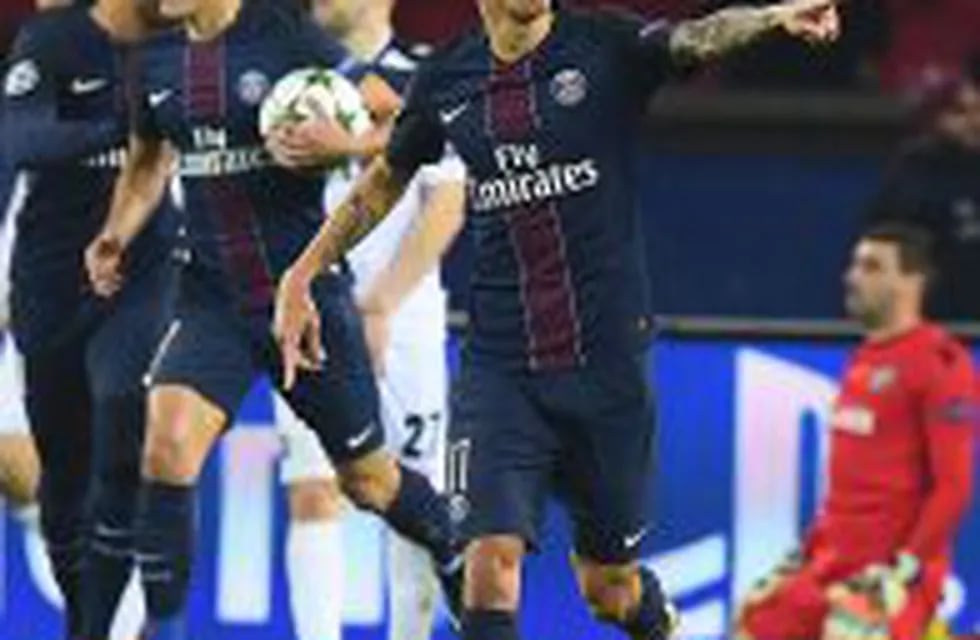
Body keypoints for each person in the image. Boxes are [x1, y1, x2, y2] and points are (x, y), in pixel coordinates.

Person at [273, 0, 842, 638]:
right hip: (500, 367)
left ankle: (663, 624)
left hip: (606, 366)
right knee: (489, 564)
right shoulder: (449, 77)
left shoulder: (603, 46)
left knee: (609, 589)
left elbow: (695, 39)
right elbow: (386, 177)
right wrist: (304, 270)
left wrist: (771, 18)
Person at [83, 0, 464, 637]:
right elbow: (149, 158)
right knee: (168, 444)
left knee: (368, 482)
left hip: (302, 301)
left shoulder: (285, 38)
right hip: (210, 301)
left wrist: (348, 143)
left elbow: (405, 122)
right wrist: (116, 233)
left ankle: (448, 536)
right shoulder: (154, 61)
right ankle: (166, 628)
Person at [271, 1, 467, 639]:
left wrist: (383, 301)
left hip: (403, 313)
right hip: (312, 310)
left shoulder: (426, 76)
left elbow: (447, 203)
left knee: (411, 498)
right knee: (312, 488)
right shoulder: (291, 81)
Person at [1, 0, 177, 637]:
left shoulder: (186, 42)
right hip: (49, 277)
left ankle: (144, 624)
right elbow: (18, 139)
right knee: (61, 482)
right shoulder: (49, 44)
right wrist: (128, 129)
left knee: (123, 408)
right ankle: (91, 621)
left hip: (142, 271)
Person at [735, 222, 977, 640]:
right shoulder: (863, 360)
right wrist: (804, 555)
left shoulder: (940, 364)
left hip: (889, 576)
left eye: (871, 266)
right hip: (830, 565)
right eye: (854, 264)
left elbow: (952, 486)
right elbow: (847, 490)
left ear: (911, 280)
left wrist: (906, 570)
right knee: (754, 623)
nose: (852, 276)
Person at [866, 52, 980, 321]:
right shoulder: (913, 176)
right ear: (935, 120)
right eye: (961, 113)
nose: (975, 122)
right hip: (935, 324)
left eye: (978, 110)